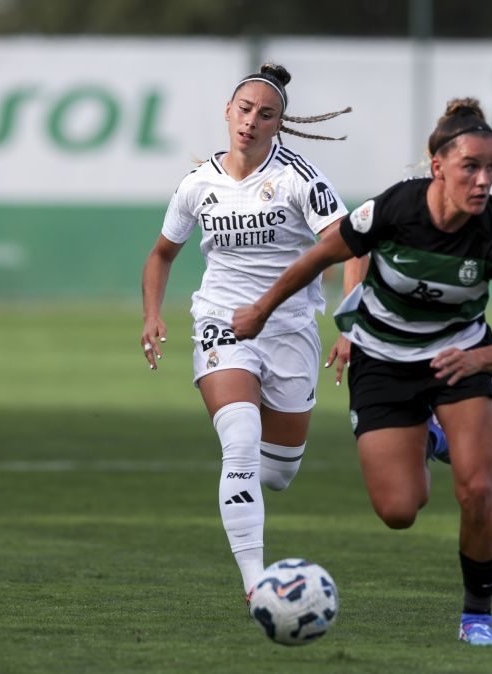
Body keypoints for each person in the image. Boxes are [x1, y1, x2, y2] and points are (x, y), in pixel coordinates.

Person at [233, 98, 492, 646]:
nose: (484, 179)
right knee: (399, 511)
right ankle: (426, 435)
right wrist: (261, 309)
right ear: (438, 165)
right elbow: (320, 255)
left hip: (460, 358)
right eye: (471, 166)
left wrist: (477, 359)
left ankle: (477, 616)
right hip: (381, 359)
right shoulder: (396, 208)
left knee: (475, 488)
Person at [139, 63, 353, 603]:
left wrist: (350, 321)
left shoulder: (300, 179)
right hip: (221, 322)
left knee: (278, 473)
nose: (251, 121)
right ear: (228, 112)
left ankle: (253, 496)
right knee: (238, 444)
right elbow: (162, 254)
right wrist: (152, 314)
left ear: (279, 124)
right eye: (244, 110)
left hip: (290, 331)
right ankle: (257, 583)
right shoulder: (198, 184)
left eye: (266, 114)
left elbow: (352, 245)